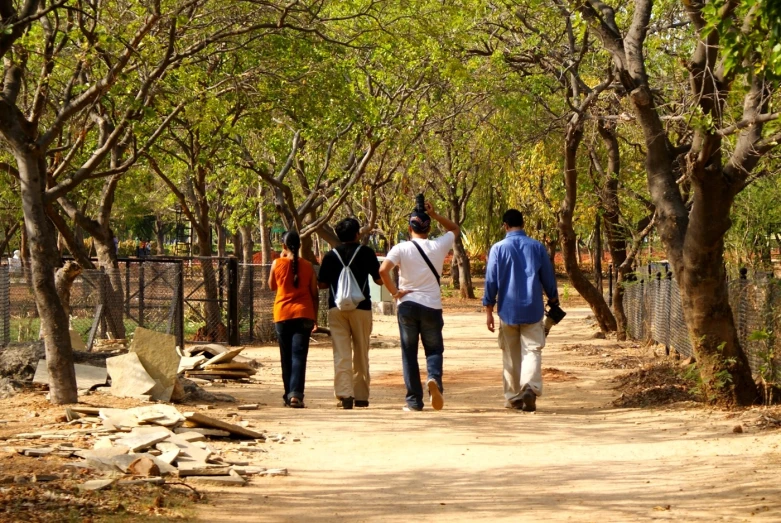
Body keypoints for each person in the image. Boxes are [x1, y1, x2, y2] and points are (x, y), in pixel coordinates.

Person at [379, 201, 459, 411]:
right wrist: (436, 214)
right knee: (433, 349)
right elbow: (454, 229)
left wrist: (395, 293)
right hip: (432, 305)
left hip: (408, 306)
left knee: (409, 353)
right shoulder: (438, 245)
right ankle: (433, 378)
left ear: (409, 228)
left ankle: (414, 401)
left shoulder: (401, 248)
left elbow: (383, 270)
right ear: (429, 228)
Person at [483, 209, 559, 412]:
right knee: (532, 350)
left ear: (505, 226)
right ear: (522, 224)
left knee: (510, 354)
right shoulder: (537, 247)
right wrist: (553, 298)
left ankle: (513, 397)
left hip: (507, 310)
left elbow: (491, 281)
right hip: (533, 308)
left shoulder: (498, 249)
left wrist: (489, 309)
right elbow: (548, 277)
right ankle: (530, 387)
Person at [318, 218, 382, 409]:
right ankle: (361, 396)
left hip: (336, 309)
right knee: (361, 352)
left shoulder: (331, 256)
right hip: (361, 308)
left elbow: (322, 284)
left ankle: (345, 395)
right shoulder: (366, 253)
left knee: (341, 352)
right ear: (357, 234)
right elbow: (379, 280)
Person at [268, 231, 319, 408]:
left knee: (286, 356)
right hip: (304, 313)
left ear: (283, 246)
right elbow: (314, 293)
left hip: (282, 314)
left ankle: (287, 393)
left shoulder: (277, 263)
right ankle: (295, 395)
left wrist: (281, 259)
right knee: (299, 355)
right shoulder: (308, 266)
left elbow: (271, 286)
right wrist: (315, 317)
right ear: (299, 246)